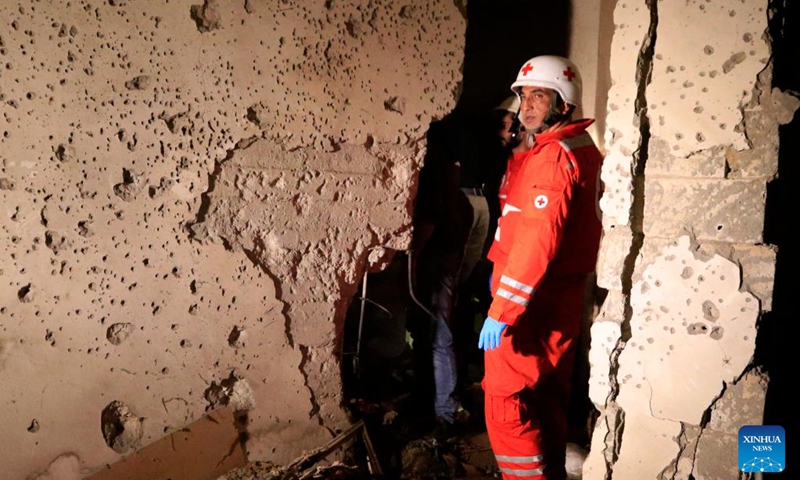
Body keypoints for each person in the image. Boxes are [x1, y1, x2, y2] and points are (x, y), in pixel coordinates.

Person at [477, 55, 604, 480]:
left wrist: (502, 311)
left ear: (562, 104)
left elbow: (535, 242)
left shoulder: (551, 158)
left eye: (539, 96)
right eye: (523, 96)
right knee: (547, 396)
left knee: (506, 401)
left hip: (530, 303)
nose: (526, 106)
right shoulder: (574, 149)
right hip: (557, 297)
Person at [408, 112, 473, 432]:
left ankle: (445, 412)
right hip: (446, 247)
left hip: (437, 249)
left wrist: (415, 254)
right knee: (431, 332)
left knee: (437, 335)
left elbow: (432, 210)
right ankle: (433, 402)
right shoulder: (447, 157)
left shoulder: (433, 154)